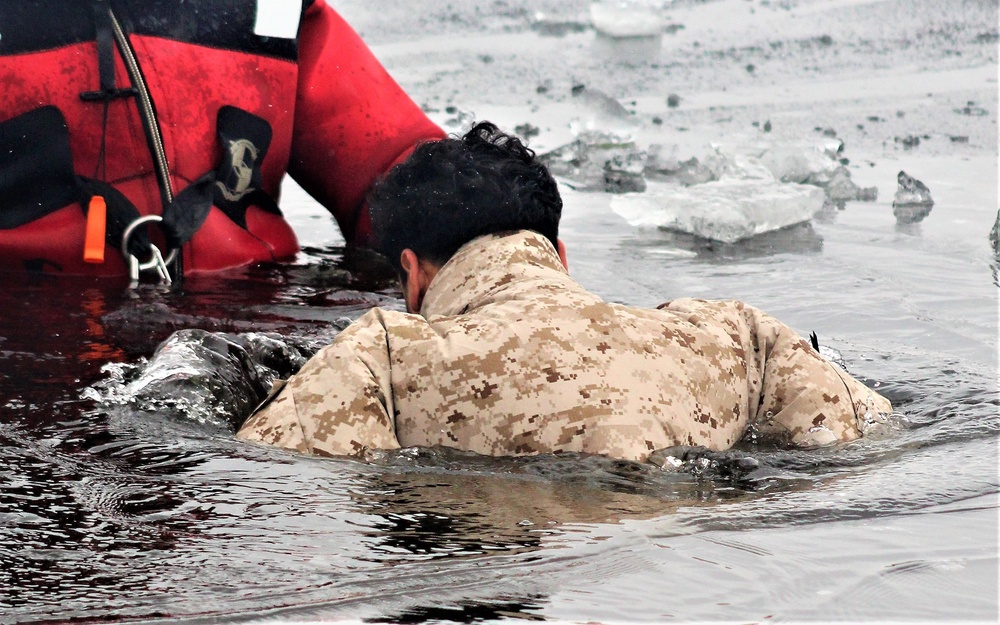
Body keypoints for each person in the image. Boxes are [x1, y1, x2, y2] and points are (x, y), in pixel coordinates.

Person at [237, 122, 893, 463]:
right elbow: (861, 432)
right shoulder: (732, 334)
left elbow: (288, 477)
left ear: (415, 273)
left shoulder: (384, 351)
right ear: (558, 251)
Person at [0, 0, 443, 279]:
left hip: (260, 354)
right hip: (40, 388)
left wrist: (475, 261)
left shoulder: (276, 9)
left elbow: (394, 164)